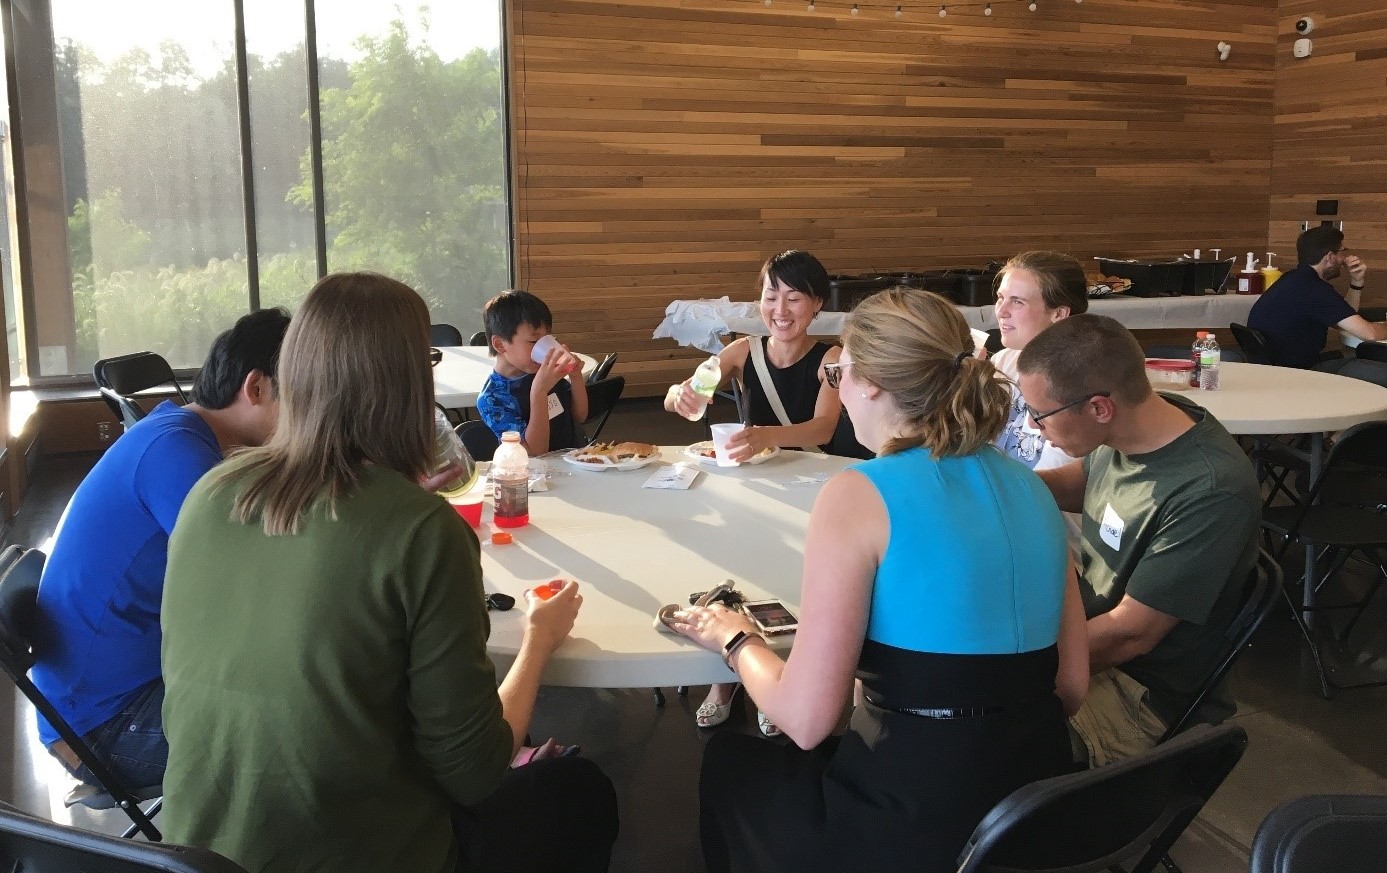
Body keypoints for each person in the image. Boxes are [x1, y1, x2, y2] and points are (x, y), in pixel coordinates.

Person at [159, 273, 617, 873]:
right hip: (363, 854)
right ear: (407, 384)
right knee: (581, 792)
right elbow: (475, 771)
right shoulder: (423, 531)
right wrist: (540, 639)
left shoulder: (211, 493)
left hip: (195, 855)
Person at [665, 288, 1088, 873]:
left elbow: (810, 721)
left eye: (837, 372)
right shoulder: (1033, 491)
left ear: (868, 383)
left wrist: (737, 641)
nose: (835, 385)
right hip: (1039, 815)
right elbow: (1069, 688)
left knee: (733, 764)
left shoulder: (860, 494)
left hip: (916, 824)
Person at [30, 307, 290, 792]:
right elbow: (259, 579)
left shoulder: (181, 434)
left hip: (109, 697)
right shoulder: (179, 455)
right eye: (304, 398)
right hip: (104, 725)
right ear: (256, 389)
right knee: (312, 729)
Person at [1015, 314, 1261, 768]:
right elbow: (1083, 483)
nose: (1033, 427)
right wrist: (1001, 487)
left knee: (975, 741)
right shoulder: (1129, 427)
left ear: (1098, 408)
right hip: (1085, 630)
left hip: (1139, 689)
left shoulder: (1210, 489)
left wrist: (1008, 670)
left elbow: (1132, 635)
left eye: (1041, 415)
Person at [663, 249, 856, 736]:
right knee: (737, 566)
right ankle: (723, 682)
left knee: (790, 576)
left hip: (811, 482)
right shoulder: (741, 351)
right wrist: (681, 394)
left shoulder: (830, 358)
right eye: (772, 296)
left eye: (795, 299)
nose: (781, 309)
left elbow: (823, 427)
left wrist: (765, 435)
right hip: (750, 483)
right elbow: (689, 391)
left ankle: (780, 677)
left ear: (816, 306)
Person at [991, 251, 1089, 470]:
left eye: (1017, 302)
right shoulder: (1004, 361)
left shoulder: (1075, 384)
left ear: (1059, 314)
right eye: (1000, 298)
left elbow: (1054, 476)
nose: (1001, 312)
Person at [1248, 225, 1382, 368]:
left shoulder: (1292, 279)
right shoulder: (1315, 289)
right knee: (1374, 365)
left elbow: (1345, 322)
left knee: (1349, 356)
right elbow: (1370, 335)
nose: (1344, 258)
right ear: (1330, 257)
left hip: (1274, 368)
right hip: (1297, 373)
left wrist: (1356, 282)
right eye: (1342, 252)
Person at [477, 289, 589, 454]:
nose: (545, 346)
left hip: (572, 463)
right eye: (534, 340)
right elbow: (535, 452)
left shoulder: (541, 371)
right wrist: (539, 391)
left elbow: (580, 415)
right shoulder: (493, 398)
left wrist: (575, 376)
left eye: (548, 339)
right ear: (500, 344)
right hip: (535, 476)